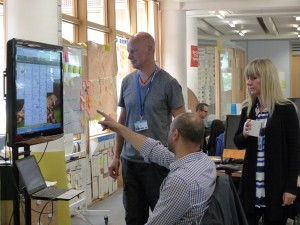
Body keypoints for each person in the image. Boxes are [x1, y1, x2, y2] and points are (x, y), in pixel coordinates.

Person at [110, 32, 186, 224]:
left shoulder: (168, 83)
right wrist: (116, 156)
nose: (129, 56)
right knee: (134, 217)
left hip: (158, 163)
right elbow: (123, 121)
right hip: (130, 162)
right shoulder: (127, 82)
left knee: (165, 217)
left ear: (150, 50)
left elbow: (182, 123)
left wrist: (181, 161)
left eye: (133, 51)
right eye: (128, 51)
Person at [98, 110, 216, 225]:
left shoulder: (180, 182)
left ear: (175, 134)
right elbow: (153, 149)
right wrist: (117, 127)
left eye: (169, 130)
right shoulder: (204, 162)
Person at [233, 58, 300, 225]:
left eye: (254, 78)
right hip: (251, 185)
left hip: (276, 185)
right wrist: (245, 133)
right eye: (248, 78)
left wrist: (291, 187)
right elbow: (238, 143)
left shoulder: (286, 109)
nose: (249, 82)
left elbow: (296, 151)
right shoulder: (248, 108)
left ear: (268, 79)